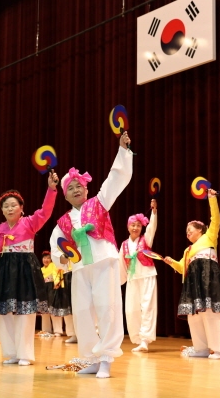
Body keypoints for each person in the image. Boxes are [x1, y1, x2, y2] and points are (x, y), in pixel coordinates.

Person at [49, 131, 133, 378]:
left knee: (107, 308)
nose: (75, 190)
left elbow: (115, 179)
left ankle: (106, 358)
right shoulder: (62, 222)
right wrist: (62, 258)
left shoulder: (99, 202)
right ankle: (91, 359)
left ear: (86, 189)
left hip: (104, 261)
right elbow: (56, 248)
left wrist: (123, 151)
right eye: (70, 187)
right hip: (79, 268)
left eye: (79, 186)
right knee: (82, 312)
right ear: (65, 195)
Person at [0, 171, 58, 366]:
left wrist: (51, 189)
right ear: (2, 210)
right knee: (4, 314)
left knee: (25, 313)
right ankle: (11, 352)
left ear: (21, 208)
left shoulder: (30, 223)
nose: (10, 208)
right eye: (6, 206)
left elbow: (45, 211)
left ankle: (25, 354)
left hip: (25, 271)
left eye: (13, 205)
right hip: (3, 272)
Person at [163, 189, 220, 359]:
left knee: (210, 312)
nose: (187, 233)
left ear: (200, 230)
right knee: (194, 315)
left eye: (190, 230)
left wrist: (212, 199)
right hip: (193, 282)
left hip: (208, 277)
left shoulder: (209, 237)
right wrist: (172, 262)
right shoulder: (187, 251)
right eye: (186, 231)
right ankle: (201, 348)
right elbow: (182, 268)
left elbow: (216, 219)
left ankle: (218, 349)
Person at [120, 199, 158, 353]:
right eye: (133, 225)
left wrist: (153, 212)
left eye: (138, 225)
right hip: (132, 278)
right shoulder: (124, 244)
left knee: (147, 307)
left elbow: (152, 227)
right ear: (128, 227)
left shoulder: (146, 239)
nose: (135, 228)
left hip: (147, 275)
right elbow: (120, 265)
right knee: (131, 309)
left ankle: (144, 340)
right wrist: (118, 282)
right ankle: (137, 339)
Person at [40, 251, 60, 335]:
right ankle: (46, 330)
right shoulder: (41, 269)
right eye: (44, 258)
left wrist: (57, 282)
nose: (46, 260)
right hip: (43, 289)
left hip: (52, 287)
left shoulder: (53, 265)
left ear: (51, 259)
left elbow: (57, 274)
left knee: (53, 308)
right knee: (44, 309)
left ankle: (57, 330)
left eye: (48, 258)